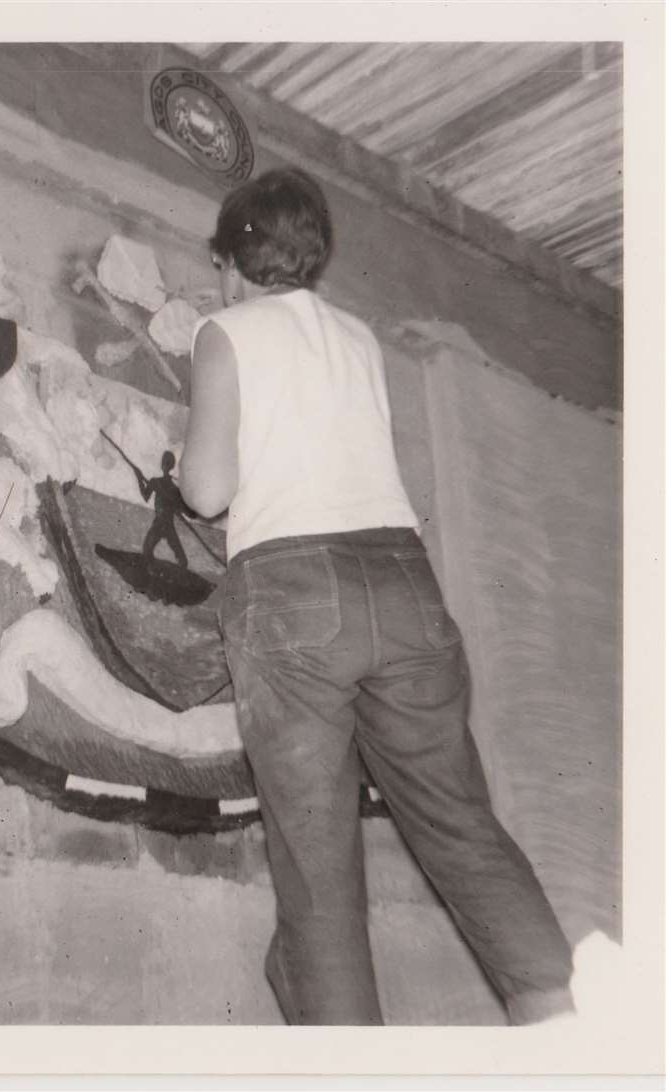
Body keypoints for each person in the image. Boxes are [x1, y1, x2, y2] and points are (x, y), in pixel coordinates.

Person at [179, 167, 575, 1026]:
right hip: (404, 586)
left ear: (235, 265)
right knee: (463, 825)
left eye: (220, 269)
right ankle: (565, 1029)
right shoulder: (359, 338)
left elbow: (208, 490)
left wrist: (184, 457)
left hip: (293, 594)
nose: (220, 284)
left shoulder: (223, 328)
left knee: (319, 868)